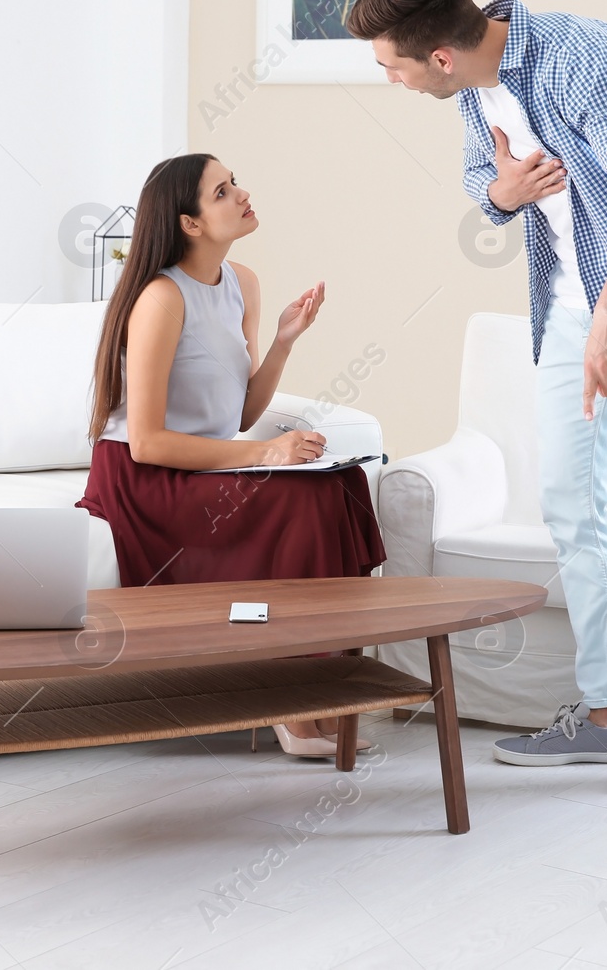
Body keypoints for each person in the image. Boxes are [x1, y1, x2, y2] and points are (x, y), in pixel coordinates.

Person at [346, 0, 607, 796]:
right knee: (571, 499)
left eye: (391, 63)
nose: (386, 77)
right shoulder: (474, 91)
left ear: (440, 56)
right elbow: (483, 183)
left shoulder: (582, 56)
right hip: (571, 304)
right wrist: (503, 190)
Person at [76, 152, 387, 759]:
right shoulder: (161, 300)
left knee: (339, 487)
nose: (241, 194)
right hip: (145, 480)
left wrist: (283, 342)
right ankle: (288, 704)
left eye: (233, 182)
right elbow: (146, 442)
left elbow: (240, 415)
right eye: (222, 192)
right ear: (191, 223)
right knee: (301, 504)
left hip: (199, 462)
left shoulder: (242, 282)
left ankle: (322, 690)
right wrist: (266, 453)